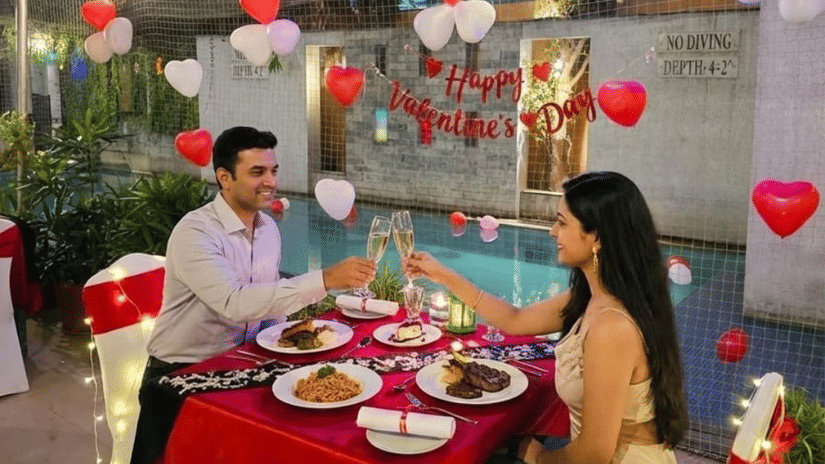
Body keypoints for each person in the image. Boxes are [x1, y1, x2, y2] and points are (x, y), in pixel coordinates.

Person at [405, 171, 688, 464]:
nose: (553, 231)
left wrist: (537, 455)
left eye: (562, 222)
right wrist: (442, 274)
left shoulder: (611, 327)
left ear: (597, 237)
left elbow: (593, 455)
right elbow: (516, 320)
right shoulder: (594, 297)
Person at [143, 126, 375, 383]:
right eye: (257, 172)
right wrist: (325, 279)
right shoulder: (196, 231)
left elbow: (269, 310)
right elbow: (235, 303)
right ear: (225, 178)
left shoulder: (268, 228)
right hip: (180, 371)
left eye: (273, 171)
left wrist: (294, 343)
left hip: (243, 361)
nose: (271, 182)